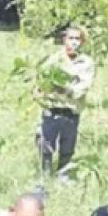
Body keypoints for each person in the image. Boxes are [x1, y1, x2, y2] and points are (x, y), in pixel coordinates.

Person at [34, 26, 95, 183]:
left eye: (77, 39)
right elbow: (42, 81)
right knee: (45, 144)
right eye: (71, 38)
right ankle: (45, 175)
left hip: (71, 111)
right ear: (64, 40)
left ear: (82, 42)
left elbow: (82, 87)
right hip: (51, 109)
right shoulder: (53, 59)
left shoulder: (86, 62)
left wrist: (65, 89)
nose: (74, 42)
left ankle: (63, 174)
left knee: (68, 146)